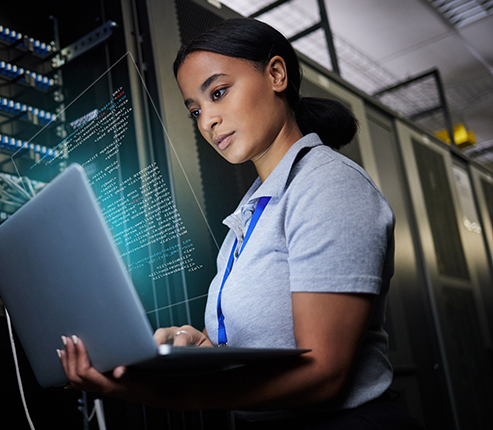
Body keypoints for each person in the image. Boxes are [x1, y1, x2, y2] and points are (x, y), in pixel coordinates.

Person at [58, 18, 424, 429]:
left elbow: (324, 373)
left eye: (218, 93)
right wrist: (206, 345)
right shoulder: (253, 212)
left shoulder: (328, 185)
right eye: (195, 109)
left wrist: (176, 395)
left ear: (276, 74)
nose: (206, 121)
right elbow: (268, 341)